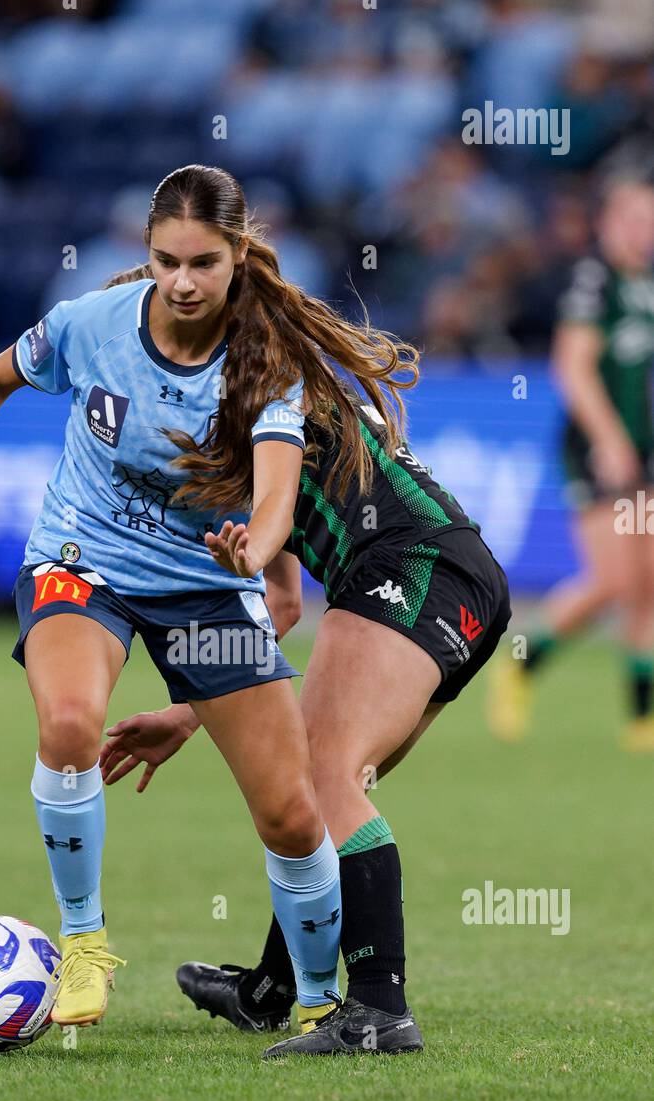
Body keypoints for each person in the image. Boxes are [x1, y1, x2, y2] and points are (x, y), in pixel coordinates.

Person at [0, 163, 417, 1042]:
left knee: (292, 811)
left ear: (239, 258)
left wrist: (256, 552)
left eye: (203, 263)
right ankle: (82, 941)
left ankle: (314, 1002)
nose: (182, 282)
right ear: (144, 255)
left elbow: (273, 502)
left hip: (205, 587)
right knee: (71, 722)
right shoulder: (92, 323)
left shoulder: (266, 362)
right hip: (84, 560)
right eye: (165, 261)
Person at [100, 335, 512, 1058]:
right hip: (454, 580)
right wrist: (185, 716)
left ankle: (381, 1010)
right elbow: (283, 608)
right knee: (318, 792)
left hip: (411, 568)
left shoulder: (259, 391)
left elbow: (265, 546)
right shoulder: (255, 405)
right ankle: (271, 991)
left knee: (321, 779)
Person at [489, 176, 654, 751]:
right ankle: (520, 663)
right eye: (632, 218)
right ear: (607, 222)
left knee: (647, 585)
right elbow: (573, 366)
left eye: (649, 220)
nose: (643, 231)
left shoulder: (646, 284)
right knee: (612, 581)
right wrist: (609, 440)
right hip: (597, 452)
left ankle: (640, 718)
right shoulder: (595, 281)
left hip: (647, 451)